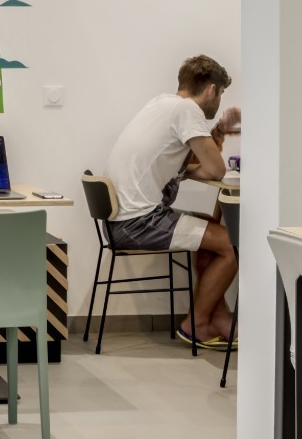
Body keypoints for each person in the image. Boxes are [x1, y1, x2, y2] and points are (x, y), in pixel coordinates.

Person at [103, 55, 242, 346]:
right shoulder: (187, 110)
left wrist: (218, 131)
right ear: (211, 90)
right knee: (230, 246)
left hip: (123, 219)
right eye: (221, 93)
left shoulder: (162, 104)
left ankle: (217, 317)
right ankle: (196, 325)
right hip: (138, 223)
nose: (219, 101)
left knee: (210, 230)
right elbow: (216, 169)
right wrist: (217, 135)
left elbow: (191, 163)